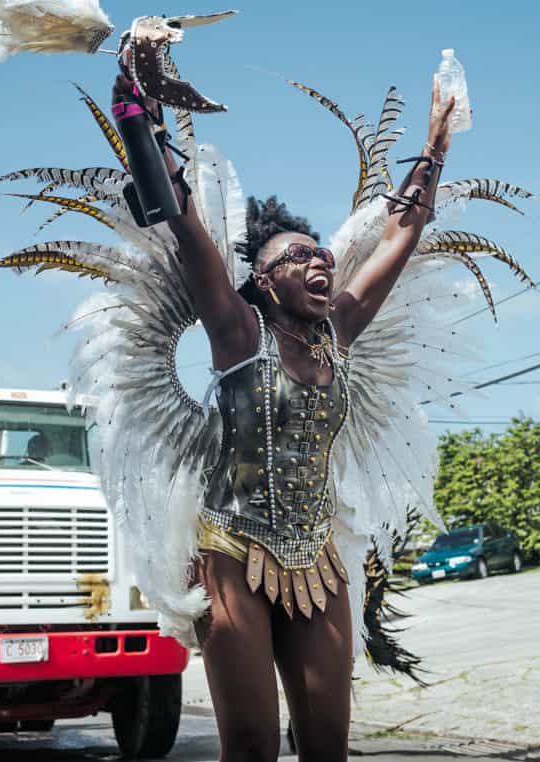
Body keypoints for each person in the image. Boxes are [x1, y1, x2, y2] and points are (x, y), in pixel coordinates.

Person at [139, 72, 453, 762]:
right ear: (263, 280)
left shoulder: (339, 330)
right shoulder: (237, 331)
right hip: (230, 551)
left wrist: (434, 148)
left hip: (316, 555)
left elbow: (403, 229)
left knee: (326, 748)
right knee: (250, 749)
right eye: (299, 257)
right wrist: (145, 116)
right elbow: (187, 227)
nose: (320, 263)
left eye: (324, 256)